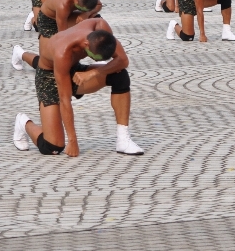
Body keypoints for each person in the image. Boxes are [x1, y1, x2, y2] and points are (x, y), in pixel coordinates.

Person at [12, 18, 142, 157]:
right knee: (52, 147)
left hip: (74, 69)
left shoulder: (100, 27)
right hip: (48, 78)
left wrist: (93, 73)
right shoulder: (63, 51)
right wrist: (72, 140)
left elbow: (123, 60)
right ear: (86, 44)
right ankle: (23, 123)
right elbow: (65, 100)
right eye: (95, 58)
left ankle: (123, 139)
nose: (98, 62)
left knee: (120, 75)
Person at [36, 0, 101, 47]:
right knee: (53, 50)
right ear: (76, 0)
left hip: (67, 15)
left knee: (95, 19)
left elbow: (99, 5)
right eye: (80, 9)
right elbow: (63, 34)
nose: (81, 11)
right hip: (47, 19)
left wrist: (87, 13)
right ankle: (34, 22)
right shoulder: (63, 5)